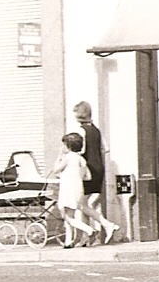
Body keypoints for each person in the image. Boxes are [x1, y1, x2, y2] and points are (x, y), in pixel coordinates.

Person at [73, 102, 120, 243]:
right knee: (85, 204)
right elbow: (105, 148)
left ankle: (107, 225)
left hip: (88, 171)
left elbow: (80, 150)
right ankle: (88, 237)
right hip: (99, 168)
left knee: (80, 205)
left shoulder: (81, 130)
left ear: (79, 114)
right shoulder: (96, 130)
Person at [51, 132, 94, 248]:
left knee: (67, 217)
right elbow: (88, 176)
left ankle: (89, 230)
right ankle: (68, 241)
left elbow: (55, 170)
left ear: (68, 146)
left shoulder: (68, 158)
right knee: (71, 214)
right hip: (78, 189)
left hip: (68, 190)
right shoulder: (81, 159)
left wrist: (59, 156)